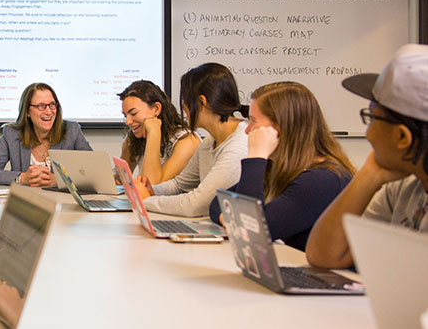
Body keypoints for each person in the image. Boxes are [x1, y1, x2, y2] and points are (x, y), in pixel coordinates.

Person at [305, 44, 428, 269]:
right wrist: (369, 174)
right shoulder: (404, 185)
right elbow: (325, 256)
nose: (368, 134)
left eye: (371, 118)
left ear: (402, 137)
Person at [209, 81, 355, 251]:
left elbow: (252, 231)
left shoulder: (323, 179)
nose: (247, 131)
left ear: (280, 128)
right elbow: (218, 202)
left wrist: (256, 155)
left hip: (334, 276)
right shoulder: (282, 168)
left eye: (253, 121)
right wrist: (229, 219)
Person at [134, 63, 249, 217]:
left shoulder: (238, 147)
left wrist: (146, 201)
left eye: (185, 101)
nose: (184, 108)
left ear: (202, 103)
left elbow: (195, 205)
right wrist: (152, 190)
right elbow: (179, 185)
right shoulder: (210, 140)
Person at [0, 82, 92, 186]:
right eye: (41, 106)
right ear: (27, 111)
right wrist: (22, 178)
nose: (49, 112)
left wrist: (60, 180)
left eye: (52, 105)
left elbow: (94, 171)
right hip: (26, 201)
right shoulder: (12, 134)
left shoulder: (72, 130)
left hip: (62, 203)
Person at [118, 80, 200, 185]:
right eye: (125, 116)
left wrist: (154, 133)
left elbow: (152, 186)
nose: (128, 122)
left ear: (156, 109)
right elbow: (119, 178)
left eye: (133, 113)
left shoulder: (187, 141)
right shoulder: (134, 140)